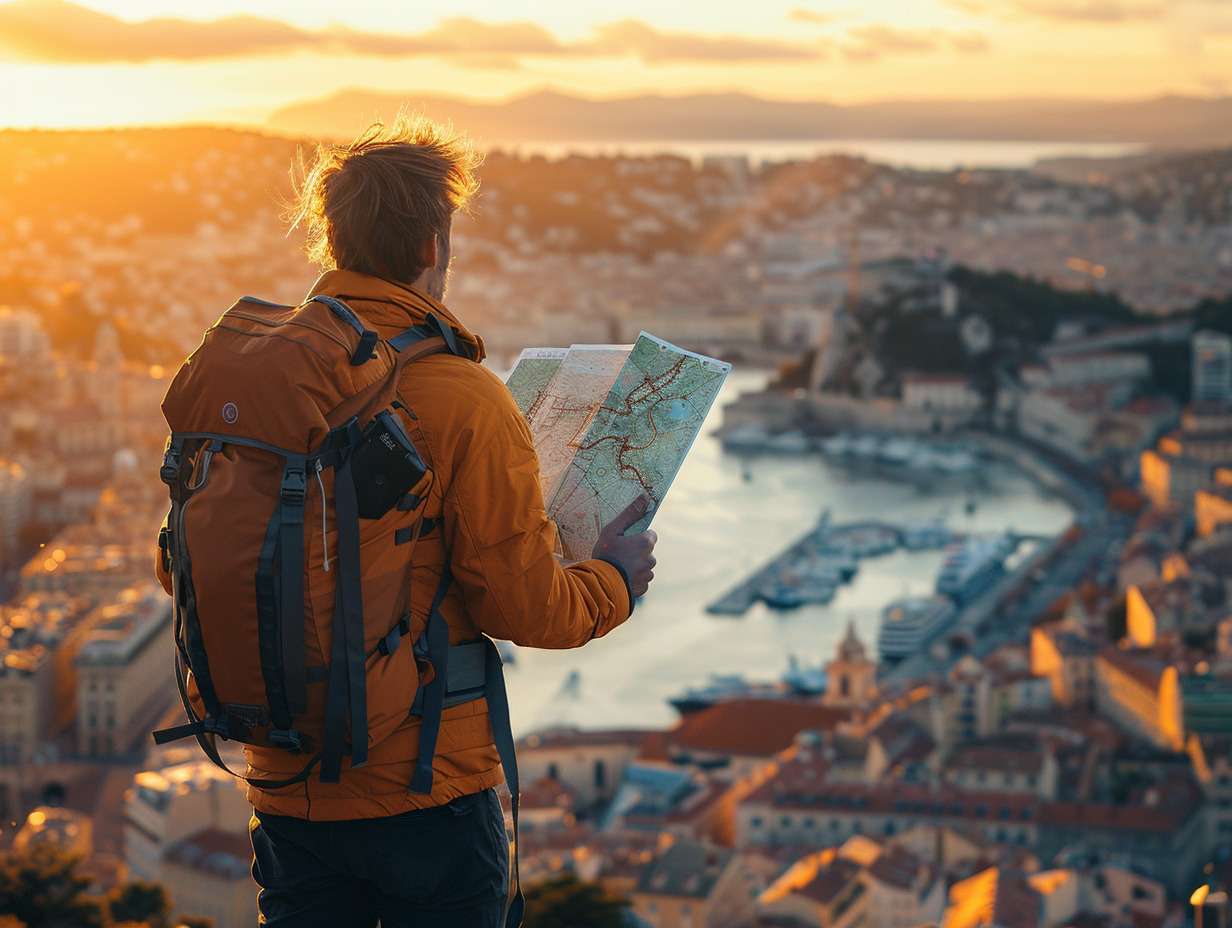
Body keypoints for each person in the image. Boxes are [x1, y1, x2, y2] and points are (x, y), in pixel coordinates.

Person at [167, 116, 657, 927]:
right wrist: (614, 581)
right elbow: (525, 609)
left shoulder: (259, 386)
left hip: (286, 787)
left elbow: (182, 564)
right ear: (435, 243)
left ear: (333, 237)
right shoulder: (463, 398)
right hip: (424, 788)